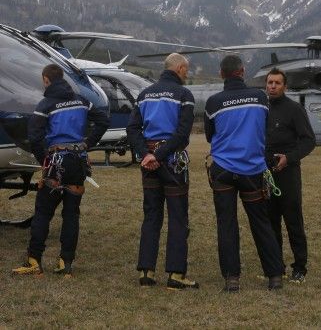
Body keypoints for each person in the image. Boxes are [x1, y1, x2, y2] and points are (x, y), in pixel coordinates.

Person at [13, 63, 110, 277]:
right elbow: (103, 120)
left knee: (43, 213)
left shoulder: (45, 105)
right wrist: (87, 144)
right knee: (71, 214)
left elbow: (35, 137)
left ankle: (34, 261)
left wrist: (43, 161)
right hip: (78, 163)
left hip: (55, 163)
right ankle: (65, 263)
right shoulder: (82, 101)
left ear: (46, 80)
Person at [204, 55, 284, 292]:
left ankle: (232, 279)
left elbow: (209, 136)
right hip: (253, 170)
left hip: (224, 170)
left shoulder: (213, 102)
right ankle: (275, 276)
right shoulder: (260, 97)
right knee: (261, 222)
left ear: (222, 74)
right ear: (242, 71)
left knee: (226, 224)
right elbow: (266, 128)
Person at [126, 53, 199, 290]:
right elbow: (182, 134)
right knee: (178, 218)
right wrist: (159, 155)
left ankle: (146, 272)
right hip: (172, 163)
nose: (187, 74)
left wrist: (145, 155)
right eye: (186, 70)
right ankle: (176, 275)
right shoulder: (184, 95)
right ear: (179, 68)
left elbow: (133, 128)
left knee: (151, 216)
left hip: (149, 164)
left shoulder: (144, 94)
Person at [265, 67, 316, 283]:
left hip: (288, 175)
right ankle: (277, 267)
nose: (273, 86)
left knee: (293, 221)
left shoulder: (294, 109)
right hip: (266, 174)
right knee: (271, 221)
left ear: (285, 86)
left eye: (277, 83)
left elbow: (308, 140)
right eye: (270, 82)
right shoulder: (261, 109)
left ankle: (300, 267)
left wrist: (289, 157)